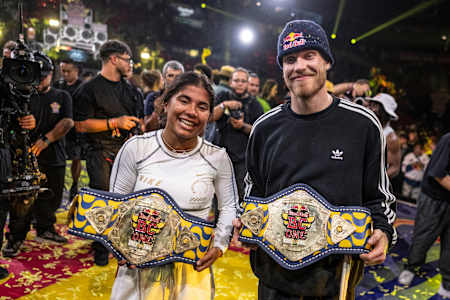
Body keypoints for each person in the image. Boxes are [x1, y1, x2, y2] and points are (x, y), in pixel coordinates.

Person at [234, 20, 396, 299]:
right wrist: (244, 218)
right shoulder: (264, 127)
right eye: (290, 59)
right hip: (274, 276)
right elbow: (254, 191)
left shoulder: (363, 124)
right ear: (282, 68)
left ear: (327, 62)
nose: (299, 66)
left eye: (309, 56)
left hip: (335, 277)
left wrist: (382, 231)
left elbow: (378, 197)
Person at [109, 71, 237, 299]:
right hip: (138, 266)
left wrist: (219, 245)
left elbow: (228, 206)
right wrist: (118, 243)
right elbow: (115, 204)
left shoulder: (217, 157)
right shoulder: (136, 148)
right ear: (166, 103)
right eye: (184, 100)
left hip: (192, 269)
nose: (191, 112)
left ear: (209, 115)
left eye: (202, 106)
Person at [73, 40, 143, 266]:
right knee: (102, 200)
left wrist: (135, 130)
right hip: (99, 151)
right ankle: (100, 246)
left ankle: (120, 241)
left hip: (126, 152)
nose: (130, 65)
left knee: (126, 200)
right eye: (127, 60)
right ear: (114, 59)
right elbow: (81, 125)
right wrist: (115, 122)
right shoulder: (89, 89)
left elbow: (137, 120)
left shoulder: (132, 90)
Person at [3, 52, 73, 257]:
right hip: (25, 158)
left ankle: (46, 228)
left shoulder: (62, 96)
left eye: (44, 76)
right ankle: (16, 237)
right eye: (37, 76)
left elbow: (67, 122)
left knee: (53, 195)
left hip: (54, 155)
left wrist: (47, 139)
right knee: (22, 201)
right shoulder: (19, 97)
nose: (40, 81)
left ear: (51, 74)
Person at [398, 133, 450, 298]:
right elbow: (438, 174)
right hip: (434, 199)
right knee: (424, 237)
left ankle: (447, 282)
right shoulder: (449, 140)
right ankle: (411, 267)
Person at [212, 67, 264, 201]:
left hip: (243, 160)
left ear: (247, 83)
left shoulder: (255, 104)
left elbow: (260, 132)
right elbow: (210, 117)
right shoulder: (223, 97)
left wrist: (242, 126)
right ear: (230, 82)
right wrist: (224, 105)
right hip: (221, 155)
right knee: (219, 198)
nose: (240, 83)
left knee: (241, 198)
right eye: (236, 80)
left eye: (243, 81)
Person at [54, 59, 84, 201]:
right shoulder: (58, 85)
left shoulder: (82, 87)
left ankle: (75, 183)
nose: (64, 74)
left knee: (75, 158)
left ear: (76, 71)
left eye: (68, 71)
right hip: (59, 126)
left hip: (75, 129)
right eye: (62, 71)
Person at [366, 93, 402, 179]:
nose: (371, 109)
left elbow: (394, 168)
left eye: (376, 106)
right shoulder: (365, 126)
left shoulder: (390, 138)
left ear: (385, 112)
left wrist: (374, 181)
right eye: (371, 105)